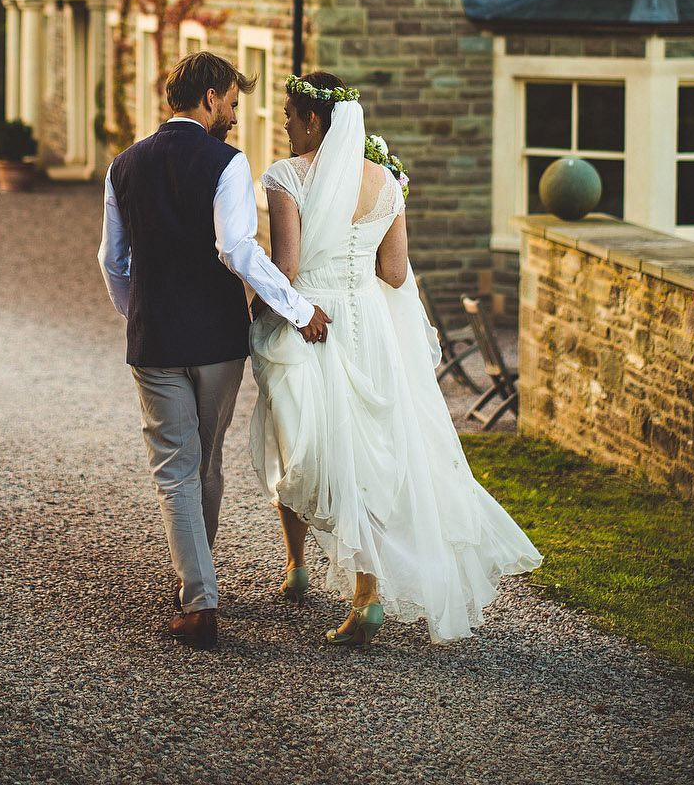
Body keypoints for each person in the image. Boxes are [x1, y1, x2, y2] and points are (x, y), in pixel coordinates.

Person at [249, 71, 542, 648]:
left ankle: (299, 565)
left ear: (313, 119)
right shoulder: (387, 181)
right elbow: (395, 272)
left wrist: (245, 296)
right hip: (369, 323)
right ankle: (365, 592)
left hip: (312, 322)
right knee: (368, 451)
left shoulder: (286, 178)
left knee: (302, 441)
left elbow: (285, 268)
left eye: (288, 112)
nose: (283, 121)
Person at [98, 51, 330, 649]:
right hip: (219, 342)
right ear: (208, 98)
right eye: (230, 101)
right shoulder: (227, 163)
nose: (233, 113)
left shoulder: (122, 166)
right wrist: (299, 309)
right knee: (205, 460)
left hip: (156, 341)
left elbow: (111, 261)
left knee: (175, 467)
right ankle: (197, 587)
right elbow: (238, 249)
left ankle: (197, 594)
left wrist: (138, 313)